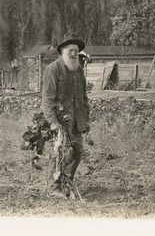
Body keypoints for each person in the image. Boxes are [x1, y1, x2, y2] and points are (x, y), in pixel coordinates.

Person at [40, 35, 90, 198]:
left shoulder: (79, 70)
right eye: (71, 51)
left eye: (76, 51)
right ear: (62, 52)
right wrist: (53, 122)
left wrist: (86, 118)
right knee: (59, 153)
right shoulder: (53, 69)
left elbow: (83, 97)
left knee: (76, 151)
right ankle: (53, 188)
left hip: (77, 120)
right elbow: (47, 100)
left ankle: (66, 182)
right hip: (60, 120)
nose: (74, 54)